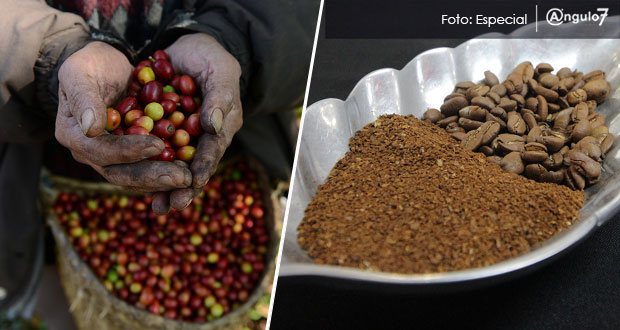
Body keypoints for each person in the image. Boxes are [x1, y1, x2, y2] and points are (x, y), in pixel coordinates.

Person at [0, 0, 318, 318]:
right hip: (44, 157)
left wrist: (237, 40)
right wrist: (48, 59)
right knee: (66, 295)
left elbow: (314, 15)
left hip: (239, 144)